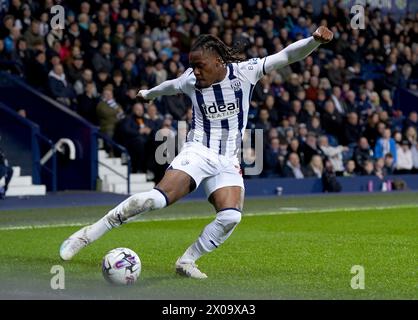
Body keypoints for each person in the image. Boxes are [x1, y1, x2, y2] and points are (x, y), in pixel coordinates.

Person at [60, 27, 333, 278]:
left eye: (200, 66)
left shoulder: (246, 72)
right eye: (192, 66)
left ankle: (187, 261)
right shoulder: (191, 80)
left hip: (228, 159)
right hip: (199, 150)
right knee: (155, 200)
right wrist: (149, 94)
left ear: (217, 62)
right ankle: (86, 235)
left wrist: (314, 41)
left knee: (230, 216)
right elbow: (170, 85)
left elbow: (286, 55)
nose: (195, 72)